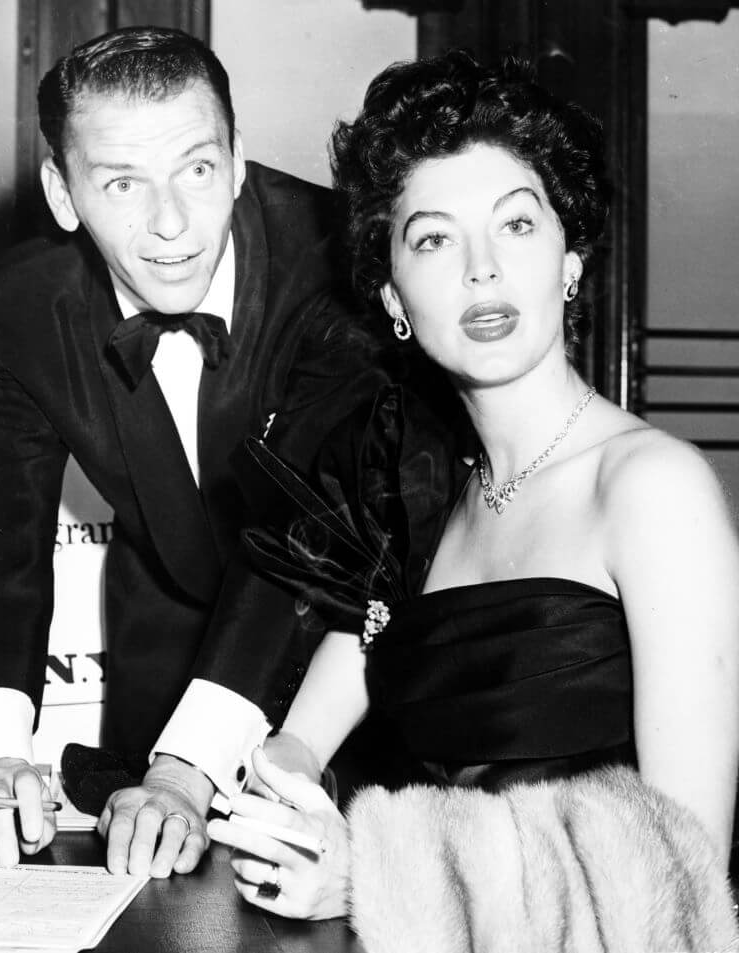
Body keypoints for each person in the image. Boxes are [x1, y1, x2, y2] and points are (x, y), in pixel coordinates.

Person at [207, 51, 739, 950]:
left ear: (571, 259)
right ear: (393, 298)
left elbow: (679, 878)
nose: (482, 269)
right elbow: (320, 715)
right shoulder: (434, 505)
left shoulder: (653, 487)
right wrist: (284, 781)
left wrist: (371, 876)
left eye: (518, 225)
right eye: (434, 238)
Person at [0, 26, 383, 876]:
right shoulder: (16, 305)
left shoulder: (340, 262)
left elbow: (301, 529)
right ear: (63, 195)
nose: (171, 223)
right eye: (122, 182)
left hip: (349, 657)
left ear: (239, 160)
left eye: (198, 170)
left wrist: (190, 767)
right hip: (169, 642)